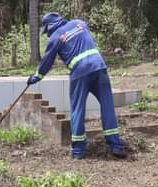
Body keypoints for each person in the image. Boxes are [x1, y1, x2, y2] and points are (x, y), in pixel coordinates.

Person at [28, 12, 128, 159]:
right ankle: (116, 145)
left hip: (80, 73)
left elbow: (47, 61)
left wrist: (36, 76)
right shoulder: (79, 23)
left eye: (47, 30)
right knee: (107, 105)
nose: (48, 34)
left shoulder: (55, 37)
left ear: (50, 26)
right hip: (99, 66)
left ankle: (78, 151)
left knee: (77, 109)